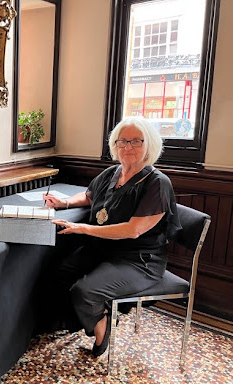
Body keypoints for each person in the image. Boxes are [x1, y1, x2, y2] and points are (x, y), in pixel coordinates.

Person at [43, 117, 181, 357]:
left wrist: (83, 228)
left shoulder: (158, 183)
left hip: (138, 260)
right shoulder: (112, 173)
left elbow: (133, 230)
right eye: (122, 141)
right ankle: (82, 320)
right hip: (104, 249)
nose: (127, 147)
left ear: (149, 145)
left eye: (136, 141)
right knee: (61, 273)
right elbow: (88, 196)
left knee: (85, 291)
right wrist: (63, 202)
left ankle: (102, 332)